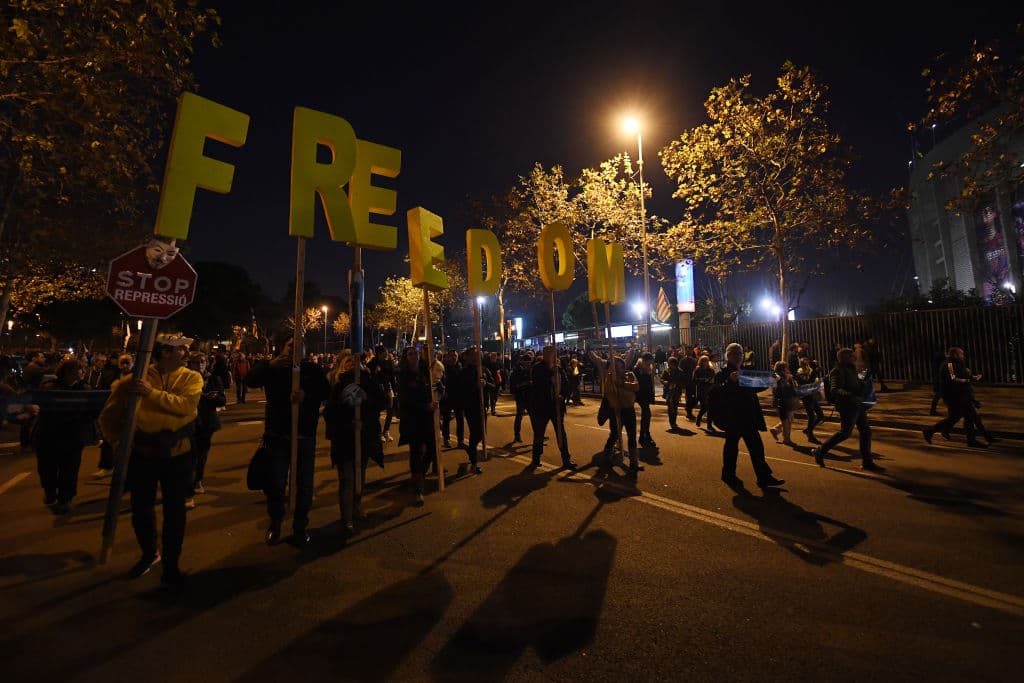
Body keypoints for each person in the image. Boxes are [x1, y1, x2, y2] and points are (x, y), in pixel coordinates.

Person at [99, 333, 202, 587]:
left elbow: (186, 407)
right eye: (180, 350)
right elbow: (108, 417)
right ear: (165, 352)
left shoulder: (192, 377)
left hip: (178, 455)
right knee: (141, 509)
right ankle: (149, 553)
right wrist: (116, 442)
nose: (185, 354)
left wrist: (151, 394)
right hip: (142, 456)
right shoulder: (133, 381)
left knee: (175, 512)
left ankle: (171, 566)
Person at [245, 338, 330, 546]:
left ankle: (300, 526)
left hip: (304, 436)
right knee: (275, 483)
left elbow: (326, 392)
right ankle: (275, 520)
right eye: (289, 343)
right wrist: (268, 365)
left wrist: (306, 396)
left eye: (298, 344)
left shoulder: (312, 369)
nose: (293, 347)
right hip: (277, 436)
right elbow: (250, 380)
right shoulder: (273, 368)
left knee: (305, 486)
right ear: (283, 347)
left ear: (305, 349)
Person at [325, 351, 386, 532]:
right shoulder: (338, 384)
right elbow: (330, 412)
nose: (352, 363)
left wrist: (367, 400)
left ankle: (356, 506)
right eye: (348, 361)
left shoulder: (368, 381)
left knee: (360, 475)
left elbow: (382, 402)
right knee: (347, 479)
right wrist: (349, 423)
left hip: (364, 437)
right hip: (345, 439)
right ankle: (347, 516)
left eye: (355, 360)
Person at [33, 359, 101, 514]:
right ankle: (50, 492)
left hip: (73, 436)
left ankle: (65, 499)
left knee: (69, 470)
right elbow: (38, 405)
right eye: (80, 369)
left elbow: (92, 412)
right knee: (47, 468)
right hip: (49, 436)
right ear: (69, 372)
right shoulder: (50, 387)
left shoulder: (85, 389)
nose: (83, 372)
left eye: (83, 369)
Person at [712, 343, 785, 488]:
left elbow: (757, 386)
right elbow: (717, 392)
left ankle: (763, 476)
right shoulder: (723, 374)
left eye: (739, 353)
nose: (738, 356)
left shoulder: (745, 372)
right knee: (732, 447)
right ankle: (728, 474)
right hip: (733, 417)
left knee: (756, 447)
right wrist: (729, 382)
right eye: (734, 354)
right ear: (728, 356)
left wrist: (772, 380)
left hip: (748, 415)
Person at [811, 347, 883, 471]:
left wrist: (864, 383)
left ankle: (867, 461)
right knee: (845, 433)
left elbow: (855, 385)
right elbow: (835, 389)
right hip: (848, 407)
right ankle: (820, 451)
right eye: (851, 356)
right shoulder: (837, 371)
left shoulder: (852, 369)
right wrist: (851, 395)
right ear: (844, 358)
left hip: (857, 405)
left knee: (866, 432)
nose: (854, 357)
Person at [923, 347, 994, 448]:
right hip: (954, 396)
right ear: (955, 355)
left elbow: (964, 376)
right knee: (955, 418)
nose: (963, 356)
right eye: (961, 354)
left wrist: (973, 377)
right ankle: (930, 431)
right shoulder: (949, 364)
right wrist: (967, 380)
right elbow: (954, 379)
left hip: (962, 395)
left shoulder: (958, 364)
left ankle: (972, 440)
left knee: (969, 417)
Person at [397, 346, 438, 502]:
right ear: (406, 357)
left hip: (427, 418)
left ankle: (419, 475)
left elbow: (435, 388)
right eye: (410, 354)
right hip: (413, 420)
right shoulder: (403, 375)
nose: (414, 356)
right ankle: (418, 488)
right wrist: (424, 406)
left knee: (432, 449)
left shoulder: (426, 371)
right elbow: (405, 400)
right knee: (416, 453)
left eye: (416, 353)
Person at [590, 347, 642, 474]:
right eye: (616, 365)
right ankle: (606, 457)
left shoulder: (629, 375)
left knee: (632, 436)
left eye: (621, 365)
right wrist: (614, 382)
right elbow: (609, 393)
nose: (620, 367)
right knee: (614, 435)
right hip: (616, 411)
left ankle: (634, 463)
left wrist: (622, 384)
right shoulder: (610, 379)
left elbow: (636, 387)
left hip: (629, 410)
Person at [186, 352, 226, 508]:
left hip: (207, 422)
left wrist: (213, 398)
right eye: (196, 362)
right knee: (189, 455)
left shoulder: (213, 379)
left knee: (201, 455)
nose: (200, 365)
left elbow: (222, 400)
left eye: (202, 361)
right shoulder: (186, 378)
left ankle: (197, 481)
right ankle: (187, 489)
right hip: (189, 421)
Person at [528, 345, 576, 469]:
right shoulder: (538, 368)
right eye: (548, 353)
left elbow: (566, 383)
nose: (550, 356)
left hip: (557, 407)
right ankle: (536, 458)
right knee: (539, 434)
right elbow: (539, 385)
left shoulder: (558, 368)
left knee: (561, 433)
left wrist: (563, 395)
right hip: (542, 407)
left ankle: (566, 459)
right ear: (544, 355)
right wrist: (551, 373)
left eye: (552, 353)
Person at [93, 353, 134, 478]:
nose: (125, 365)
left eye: (128, 362)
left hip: (129, 414)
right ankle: (107, 466)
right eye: (122, 362)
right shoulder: (111, 375)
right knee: (108, 440)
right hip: (114, 413)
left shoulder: (136, 376)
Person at [456, 347, 493, 474]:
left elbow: (493, 385)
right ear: (468, 357)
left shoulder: (483, 370)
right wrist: (475, 386)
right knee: (475, 434)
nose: (476, 357)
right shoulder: (464, 372)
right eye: (473, 355)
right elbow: (461, 390)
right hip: (471, 407)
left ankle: (471, 451)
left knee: (482, 434)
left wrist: (485, 383)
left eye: (478, 355)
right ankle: (474, 461)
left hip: (482, 406)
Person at [368, 345, 396, 442]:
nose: (386, 355)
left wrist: (394, 389)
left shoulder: (388, 362)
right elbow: (370, 377)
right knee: (377, 412)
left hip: (387, 388)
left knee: (390, 410)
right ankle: (379, 433)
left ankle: (386, 431)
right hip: (377, 390)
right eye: (384, 354)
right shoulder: (372, 363)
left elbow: (392, 376)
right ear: (379, 354)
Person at [769, 361, 799, 446]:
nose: (787, 369)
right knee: (786, 421)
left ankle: (776, 430)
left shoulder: (787, 377)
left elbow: (792, 387)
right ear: (782, 368)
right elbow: (776, 390)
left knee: (790, 419)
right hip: (781, 401)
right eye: (786, 367)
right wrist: (786, 380)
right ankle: (787, 439)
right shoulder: (776, 377)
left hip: (788, 400)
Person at [795, 356, 823, 444]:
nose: (806, 366)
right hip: (806, 397)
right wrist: (815, 373)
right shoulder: (799, 374)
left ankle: (808, 430)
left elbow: (815, 381)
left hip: (813, 395)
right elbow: (806, 384)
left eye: (807, 364)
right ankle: (810, 435)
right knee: (812, 416)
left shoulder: (810, 371)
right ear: (801, 365)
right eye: (805, 364)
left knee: (820, 416)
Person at [439, 349, 464, 447]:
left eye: (455, 355)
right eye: (452, 355)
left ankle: (460, 440)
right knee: (446, 419)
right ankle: (446, 439)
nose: (454, 357)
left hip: (458, 396)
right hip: (447, 397)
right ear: (448, 357)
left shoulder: (459, 366)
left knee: (460, 419)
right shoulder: (443, 367)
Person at [634, 352, 657, 448]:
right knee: (647, 414)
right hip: (641, 394)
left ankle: (644, 435)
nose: (651, 362)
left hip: (646, 394)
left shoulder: (648, 367)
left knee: (646, 415)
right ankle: (645, 435)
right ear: (646, 360)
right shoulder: (638, 369)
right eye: (650, 360)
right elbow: (637, 382)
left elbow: (650, 382)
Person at [509, 351, 533, 443]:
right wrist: (525, 383)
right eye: (527, 363)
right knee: (519, 415)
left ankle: (538, 435)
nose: (528, 364)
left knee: (533, 416)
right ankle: (517, 434)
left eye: (529, 363)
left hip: (529, 396)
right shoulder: (517, 371)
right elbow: (514, 386)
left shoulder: (530, 370)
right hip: (521, 396)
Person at [660, 356, 686, 431]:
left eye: (670, 363)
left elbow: (683, 382)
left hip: (676, 392)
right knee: (670, 407)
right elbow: (662, 379)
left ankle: (673, 421)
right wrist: (665, 382)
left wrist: (676, 384)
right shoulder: (666, 371)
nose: (669, 364)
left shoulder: (680, 371)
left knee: (674, 407)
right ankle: (672, 422)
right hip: (668, 391)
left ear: (674, 363)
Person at [692, 355, 717, 431]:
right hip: (701, 391)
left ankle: (709, 425)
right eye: (704, 361)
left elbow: (714, 378)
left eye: (707, 361)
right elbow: (694, 380)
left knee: (709, 408)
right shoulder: (698, 369)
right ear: (701, 361)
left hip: (709, 390)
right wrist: (703, 380)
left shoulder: (711, 370)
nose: (706, 362)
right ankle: (699, 417)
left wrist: (712, 381)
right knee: (705, 407)